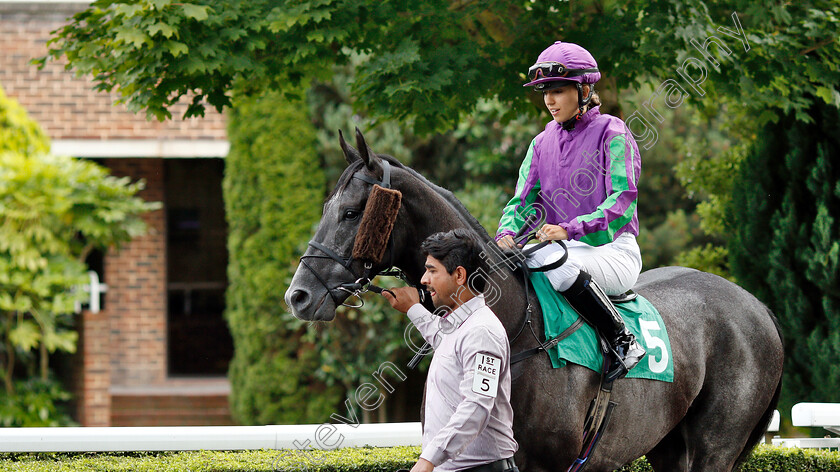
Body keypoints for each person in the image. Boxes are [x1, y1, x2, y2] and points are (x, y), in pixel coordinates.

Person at [496, 40, 645, 382]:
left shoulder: (613, 132)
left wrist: (570, 229)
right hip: (560, 250)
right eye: (545, 91)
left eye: (559, 90)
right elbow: (522, 203)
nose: (549, 100)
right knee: (513, 268)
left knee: (556, 264)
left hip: (613, 252)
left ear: (584, 89)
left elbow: (622, 201)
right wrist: (505, 234)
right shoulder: (540, 143)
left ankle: (623, 340)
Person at [383, 229, 518, 472]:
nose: (424, 279)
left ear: (459, 275)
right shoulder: (460, 324)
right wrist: (413, 308)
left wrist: (427, 460)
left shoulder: (482, 332)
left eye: (432, 271)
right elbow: (442, 337)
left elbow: (477, 405)